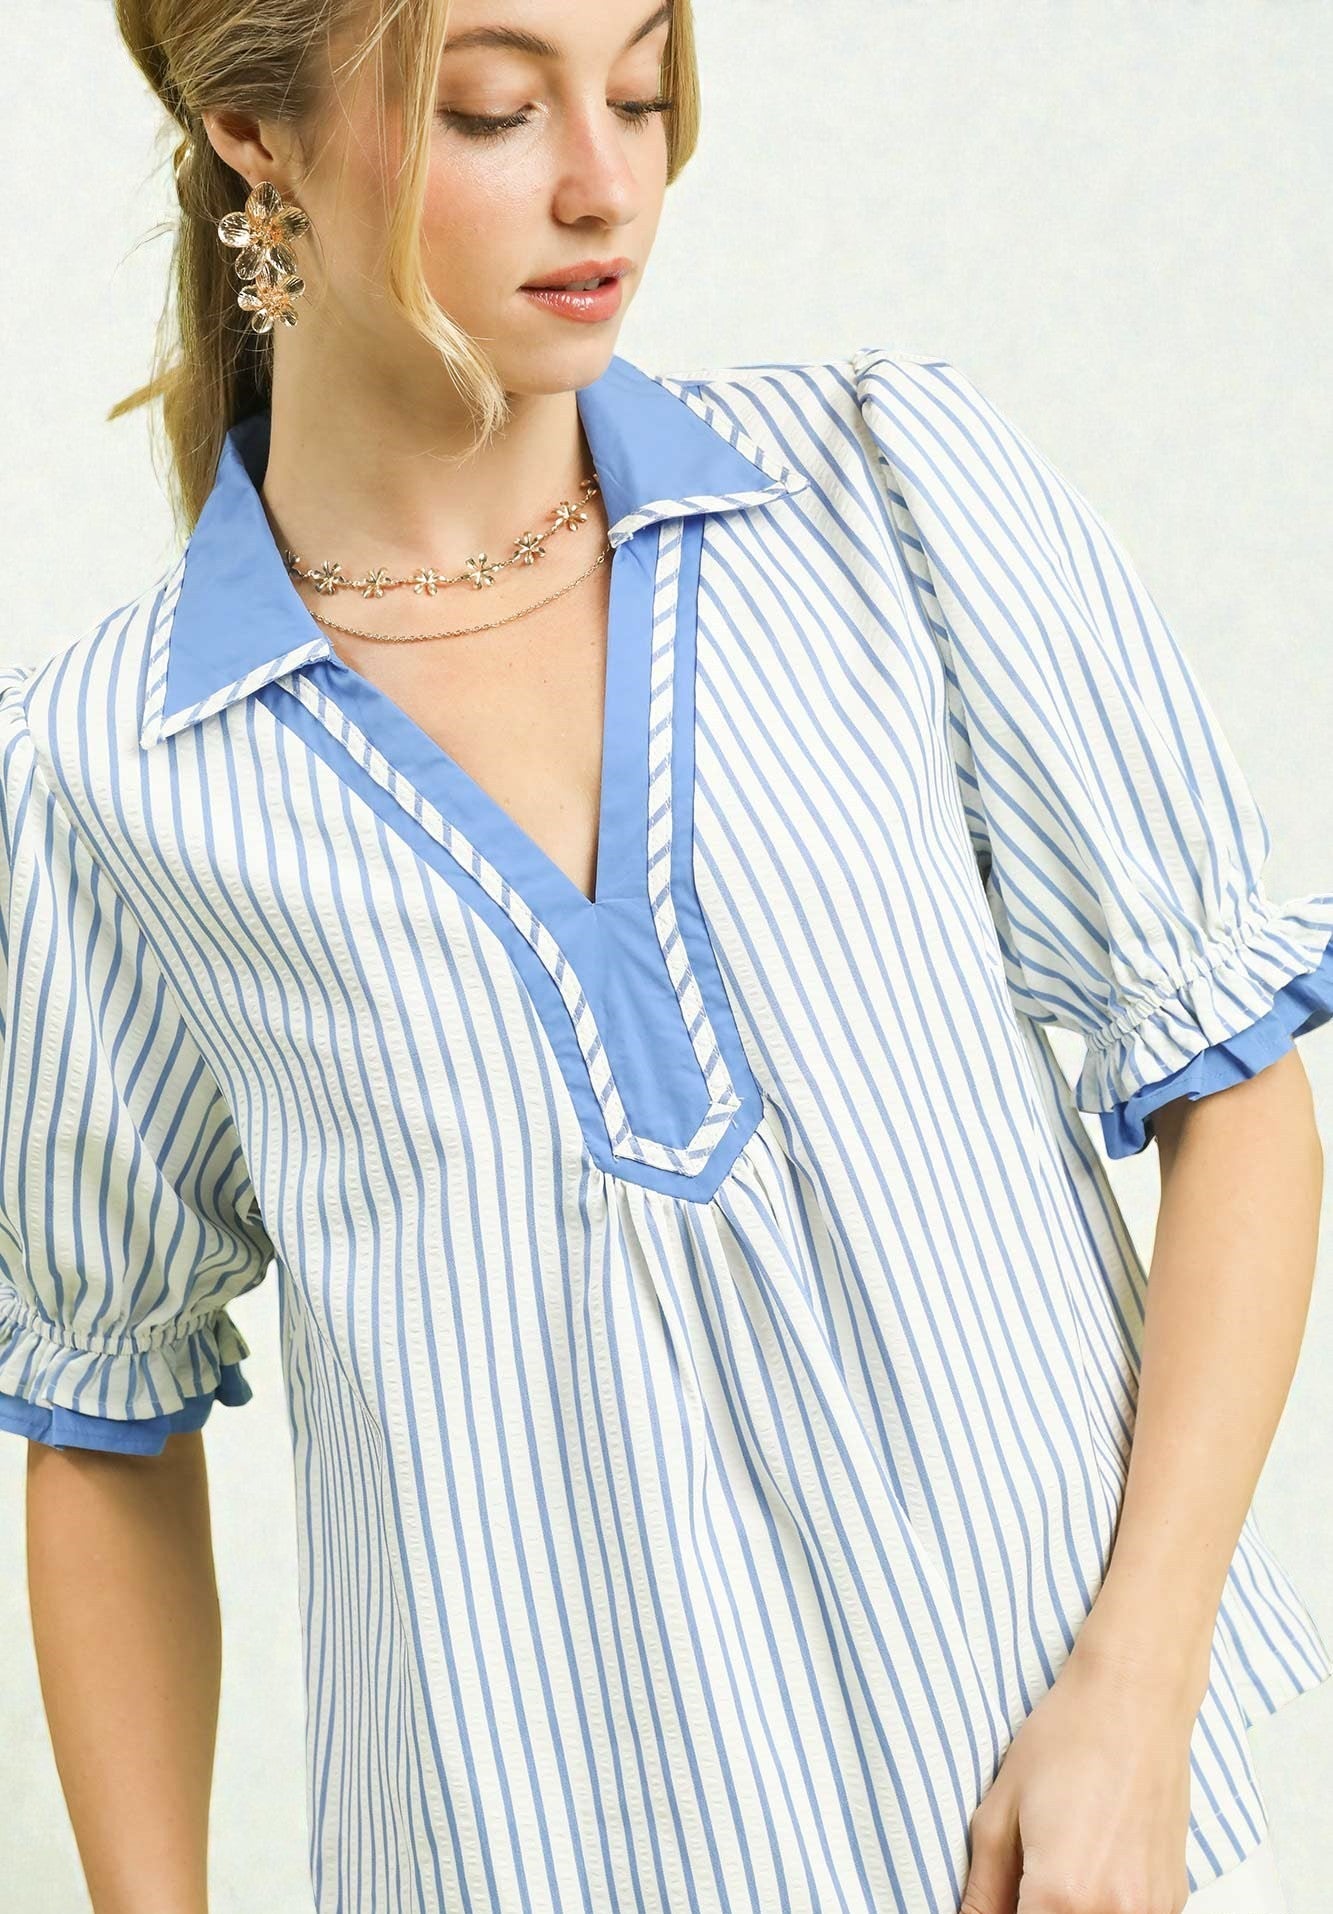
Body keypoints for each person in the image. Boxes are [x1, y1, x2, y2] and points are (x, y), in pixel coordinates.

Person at [2, 2, 1329, 1911]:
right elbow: (100, 1419)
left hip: (1066, 1844)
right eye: (489, 109)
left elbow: (1239, 1088)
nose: (601, 180)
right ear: (252, 141)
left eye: (636, 91)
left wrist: (1140, 1684)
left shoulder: (881, 494)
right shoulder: (104, 774)